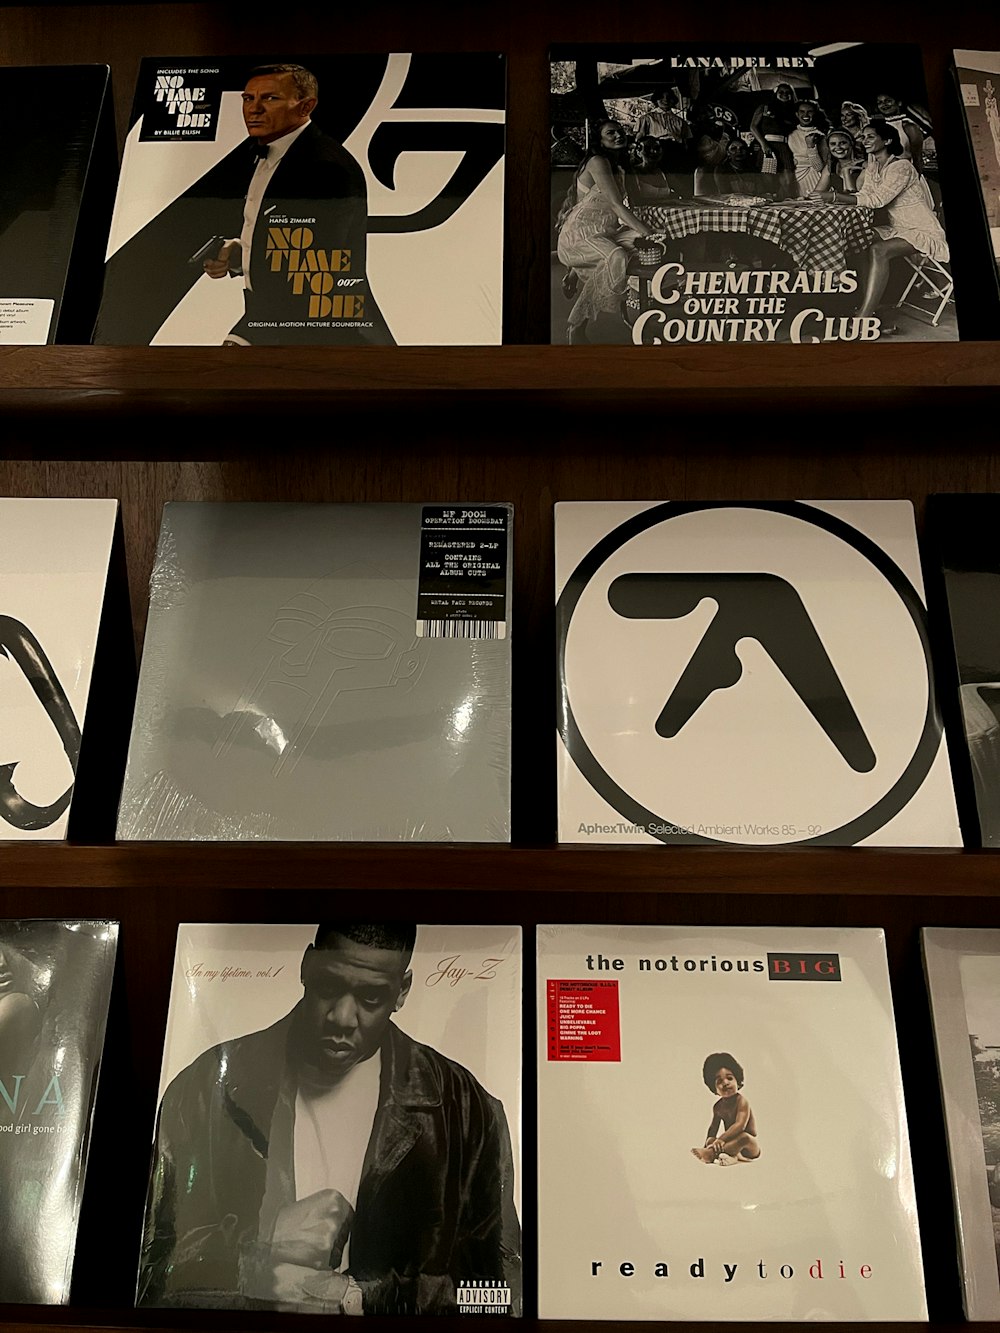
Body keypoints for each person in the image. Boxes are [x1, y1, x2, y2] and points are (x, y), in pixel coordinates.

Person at [138, 923, 521, 1314]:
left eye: (371, 997)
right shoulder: (205, 1088)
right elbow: (150, 1279)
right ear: (306, 966)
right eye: (328, 986)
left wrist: (359, 1299)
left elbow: (500, 1296)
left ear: (402, 992)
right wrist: (257, 1253)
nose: (341, 1017)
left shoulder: (468, 1110)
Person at [204, 63, 391, 346]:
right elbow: (284, 240)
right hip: (272, 314)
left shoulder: (327, 168)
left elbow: (311, 264)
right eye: (248, 98)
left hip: (318, 326)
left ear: (306, 107)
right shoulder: (258, 153)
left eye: (270, 98)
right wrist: (239, 255)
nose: (254, 109)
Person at [811, 119, 949, 325]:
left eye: (870, 137)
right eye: (863, 137)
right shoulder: (875, 166)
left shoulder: (901, 166)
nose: (864, 140)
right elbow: (864, 194)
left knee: (878, 250)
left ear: (887, 140)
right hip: (897, 228)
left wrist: (834, 197)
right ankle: (868, 303)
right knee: (857, 239)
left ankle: (864, 316)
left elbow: (877, 201)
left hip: (921, 229)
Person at [556, 119, 654, 344]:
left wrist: (645, 232)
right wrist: (648, 232)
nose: (618, 135)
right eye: (611, 133)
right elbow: (616, 205)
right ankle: (576, 325)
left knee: (639, 242)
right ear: (599, 141)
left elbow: (621, 209)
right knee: (616, 256)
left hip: (604, 232)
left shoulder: (617, 167)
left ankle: (576, 274)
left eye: (620, 131)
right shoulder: (597, 161)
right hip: (578, 236)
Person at [690, 1052, 759, 1166]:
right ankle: (729, 1157)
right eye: (719, 1081)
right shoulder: (718, 1107)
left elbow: (739, 1125)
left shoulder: (742, 1102)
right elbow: (713, 1128)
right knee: (711, 1140)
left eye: (729, 1078)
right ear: (714, 1089)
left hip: (748, 1148)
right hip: (730, 1144)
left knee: (744, 1137)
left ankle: (712, 1154)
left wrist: (720, 1140)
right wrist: (708, 1144)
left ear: (738, 1080)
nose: (725, 1083)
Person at [749, 82, 797, 199]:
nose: (785, 95)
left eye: (788, 93)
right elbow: (753, 127)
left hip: (785, 147)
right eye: (781, 92)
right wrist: (763, 144)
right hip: (767, 146)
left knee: (787, 181)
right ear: (775, 94)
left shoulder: (794, 111)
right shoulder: (764, 108)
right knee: (768, 180)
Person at [787, 100, 830, 196]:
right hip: (795, 178)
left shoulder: (820, 135)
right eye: (802, 111)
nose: (805, 114)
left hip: (814, 178)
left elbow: (820, 168)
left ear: (815, 114)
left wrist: (811, 147)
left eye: (810, 111)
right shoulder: (790, 134)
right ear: (797, 114)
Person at [814, 129, 865, 195]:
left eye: (842, 143)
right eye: (833, 144)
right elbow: (818, 192)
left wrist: (846, 172)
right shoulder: (831, 166)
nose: (838, 147)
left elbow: (855, 197)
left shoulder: (864, 165)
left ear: (851, 144)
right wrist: (806, 198)